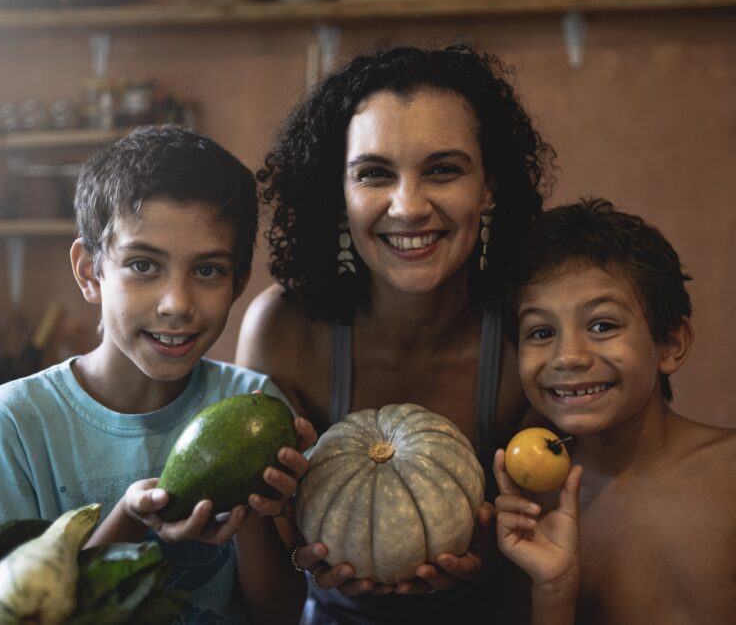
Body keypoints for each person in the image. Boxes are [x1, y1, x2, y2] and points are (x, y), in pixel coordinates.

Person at [0, 126, 316, 624]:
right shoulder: (13, 425)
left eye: (208, 271)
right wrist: (129, 520)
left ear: (239, 283)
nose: (177, 304)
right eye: (143, 265)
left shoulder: (257, 402)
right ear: (90, 273)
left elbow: (282, 616)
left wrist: (253, 513)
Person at [236, 44, 556, 624]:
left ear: (489, 187)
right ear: (339, 194)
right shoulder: (282, 330)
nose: (408, 206)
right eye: (374, 174)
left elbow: (555, 562)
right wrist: (294, 552)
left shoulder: (531, 335)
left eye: (443, 169)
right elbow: (267, 600)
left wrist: (495, 559)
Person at [495, 197, 736, 625]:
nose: (568, 357)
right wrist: (554, 588)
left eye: (602, 325)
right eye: (541, 331)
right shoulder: (531, 510)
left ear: (670, 344)